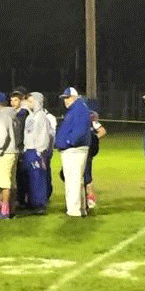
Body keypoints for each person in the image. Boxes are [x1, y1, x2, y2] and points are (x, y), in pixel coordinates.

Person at [54, 87, 92, 217]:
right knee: (75, 180)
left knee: (73, 180)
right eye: (64, 98)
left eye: (67, 97)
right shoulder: (76, 109)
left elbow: (80, 131)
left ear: (74, 97)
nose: (65, 100)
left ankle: (74, 210)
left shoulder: (79, 109)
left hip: (74, 150)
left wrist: (68, 142)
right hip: (73, 149)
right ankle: (80, 208)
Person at [23, 92, 53, 214]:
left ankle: (40, 205)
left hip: (37, 151)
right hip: (28, 150)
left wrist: (41, 151)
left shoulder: (41, 117)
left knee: (38, 177)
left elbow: (44, 136)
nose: (28, 104)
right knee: (30, 178)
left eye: (31, 101)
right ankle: (32, 202)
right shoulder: (30, 117)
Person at [0, 92, 20, 220]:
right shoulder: (13, 115)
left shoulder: (2, 116)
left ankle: (4, 211)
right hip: (13, 151)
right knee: (11, 183)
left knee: (4, 184)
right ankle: (11, 209)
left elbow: (2, 136)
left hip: (4, 153)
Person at [85, 111, 106, 208]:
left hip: (87, 151)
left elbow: (102, 131)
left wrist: (93, 139)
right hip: (81, 150)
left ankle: (91, 197)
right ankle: (85, 196)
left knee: (87, 175)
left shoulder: (91, 120)